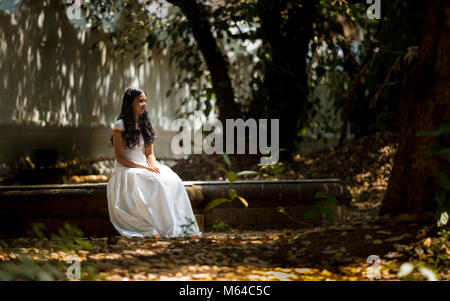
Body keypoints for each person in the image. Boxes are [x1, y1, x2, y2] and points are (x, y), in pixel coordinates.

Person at [106, 87, 202, 238]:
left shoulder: (146, 124)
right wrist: (142, 167)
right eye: (140, 101)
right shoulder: (120, 124)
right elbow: (120, 157)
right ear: (130, 103)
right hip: (127, 167)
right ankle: (155, 226)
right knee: (155, 182)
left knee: (172, 180)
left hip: (144, 164)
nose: (143, 104)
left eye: (145, 101)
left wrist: (152, 166)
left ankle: (181, 227)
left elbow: (149, 153)